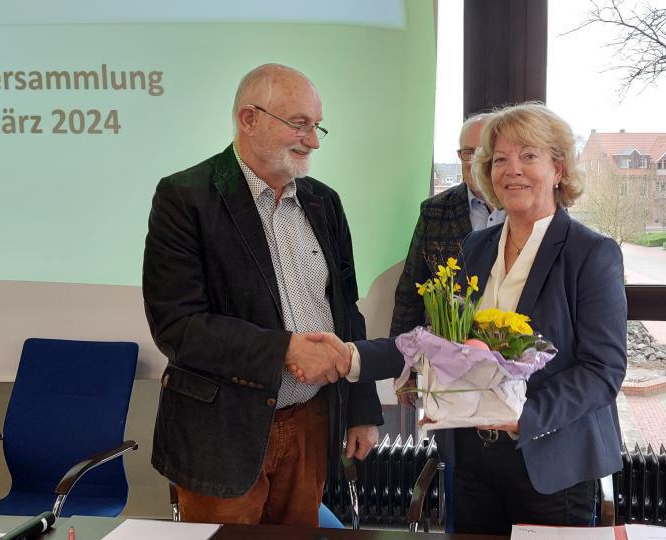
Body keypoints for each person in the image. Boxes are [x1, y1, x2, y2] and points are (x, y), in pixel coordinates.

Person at [339, 102, 628, 535]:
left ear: (559, 169)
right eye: (499, 160)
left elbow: (603, 370)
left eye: (529, 156)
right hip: (471, 459)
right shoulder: (476, 246)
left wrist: (524, 415)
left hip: (550, 459)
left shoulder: (591, 253)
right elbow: (440, 342)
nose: (512, 170)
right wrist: (351, 357)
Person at [142, 63, 382, 526]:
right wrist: (284, 350)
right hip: (222, 434)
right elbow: (178, 327)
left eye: (316, 127)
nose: (312, 140)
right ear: (249, 119)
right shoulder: (185, 197)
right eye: (299, 124)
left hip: (311, 424)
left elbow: (346, 312)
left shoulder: (323, 201)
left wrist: (362, 409)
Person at [389, 113, 505, 337]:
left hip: (510, 350)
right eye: (467, 152)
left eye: (482, 152)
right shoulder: (434, 211)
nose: (473, 161)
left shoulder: (523, 212)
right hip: (449, 351)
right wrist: (402, 366)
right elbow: (410, 294)